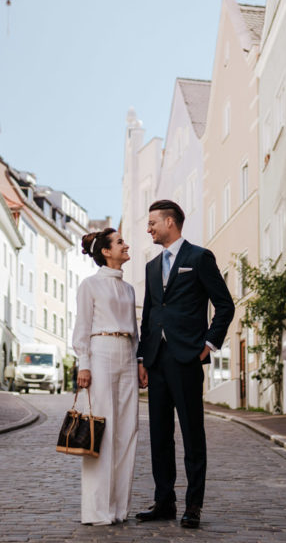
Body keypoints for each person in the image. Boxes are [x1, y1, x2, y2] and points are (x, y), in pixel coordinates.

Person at [136, 200, 235, 530]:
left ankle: (193, 505)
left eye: (152, 223)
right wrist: (142, 358)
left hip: (187, 357)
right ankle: (164, 501)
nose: (148, 228)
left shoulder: (199, 258)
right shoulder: (151, 267)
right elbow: (149, 316)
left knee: (193, 433)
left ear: (169, 222)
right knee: (160, 435)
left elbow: (224, 305)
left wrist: (208, 345)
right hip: (157, 361)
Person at [72, 228, 139, 525]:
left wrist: (139, 361)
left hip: (127, 353)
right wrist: (83, 363)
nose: (126, 245)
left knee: (128, 431)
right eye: (120, 242)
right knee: (101, 430)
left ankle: (118, 509)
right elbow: (82, 326)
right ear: (106, 251)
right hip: (100, 352)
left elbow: (136, 330)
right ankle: (97, 510)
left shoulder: (129, 289)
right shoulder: (90, 285)